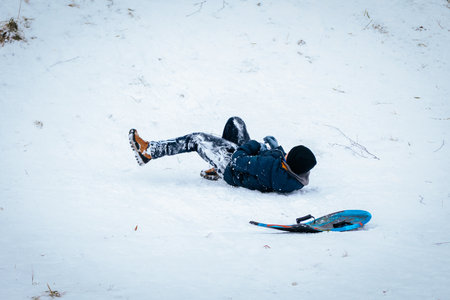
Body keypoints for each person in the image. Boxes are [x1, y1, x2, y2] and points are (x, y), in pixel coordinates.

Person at [128, 116, 317, 193]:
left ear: (288, 162)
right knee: (236, 122)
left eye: (288, 153)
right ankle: (216, 162)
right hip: (250, 163)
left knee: (196, 139)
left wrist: (254, 145)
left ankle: (148, 151)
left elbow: (238, 161)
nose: (286, 152)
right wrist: (276, 150)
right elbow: (279, 161)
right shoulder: (293, 174)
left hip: (233, 167)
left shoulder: (269, 168)